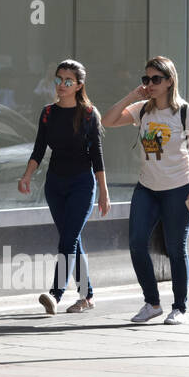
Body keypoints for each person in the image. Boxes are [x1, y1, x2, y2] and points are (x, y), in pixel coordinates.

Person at [101, 55, 189, 325]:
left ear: (170, 81)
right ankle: (152, 303)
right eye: (146, 79)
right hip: (147, 188)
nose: (150, 84)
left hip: (178, 188)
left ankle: (179, 307)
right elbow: (108, 121)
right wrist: (131, 96)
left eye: (156, 79)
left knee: (175, 248)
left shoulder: (185, 112)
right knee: (136, 243)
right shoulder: (142, 109)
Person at [18, 59, 110, 314]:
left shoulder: (89, 114)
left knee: (67, 240)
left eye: (67, 81)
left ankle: (55, 294)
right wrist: (26, 176)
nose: (61, 85)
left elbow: (97, 155)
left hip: (82, 183)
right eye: (58, 80)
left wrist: (103, 191)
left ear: (79, 85)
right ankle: (87, 295)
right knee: (72, 239)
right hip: (55, 185)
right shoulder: (48, 113)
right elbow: (39, 149)